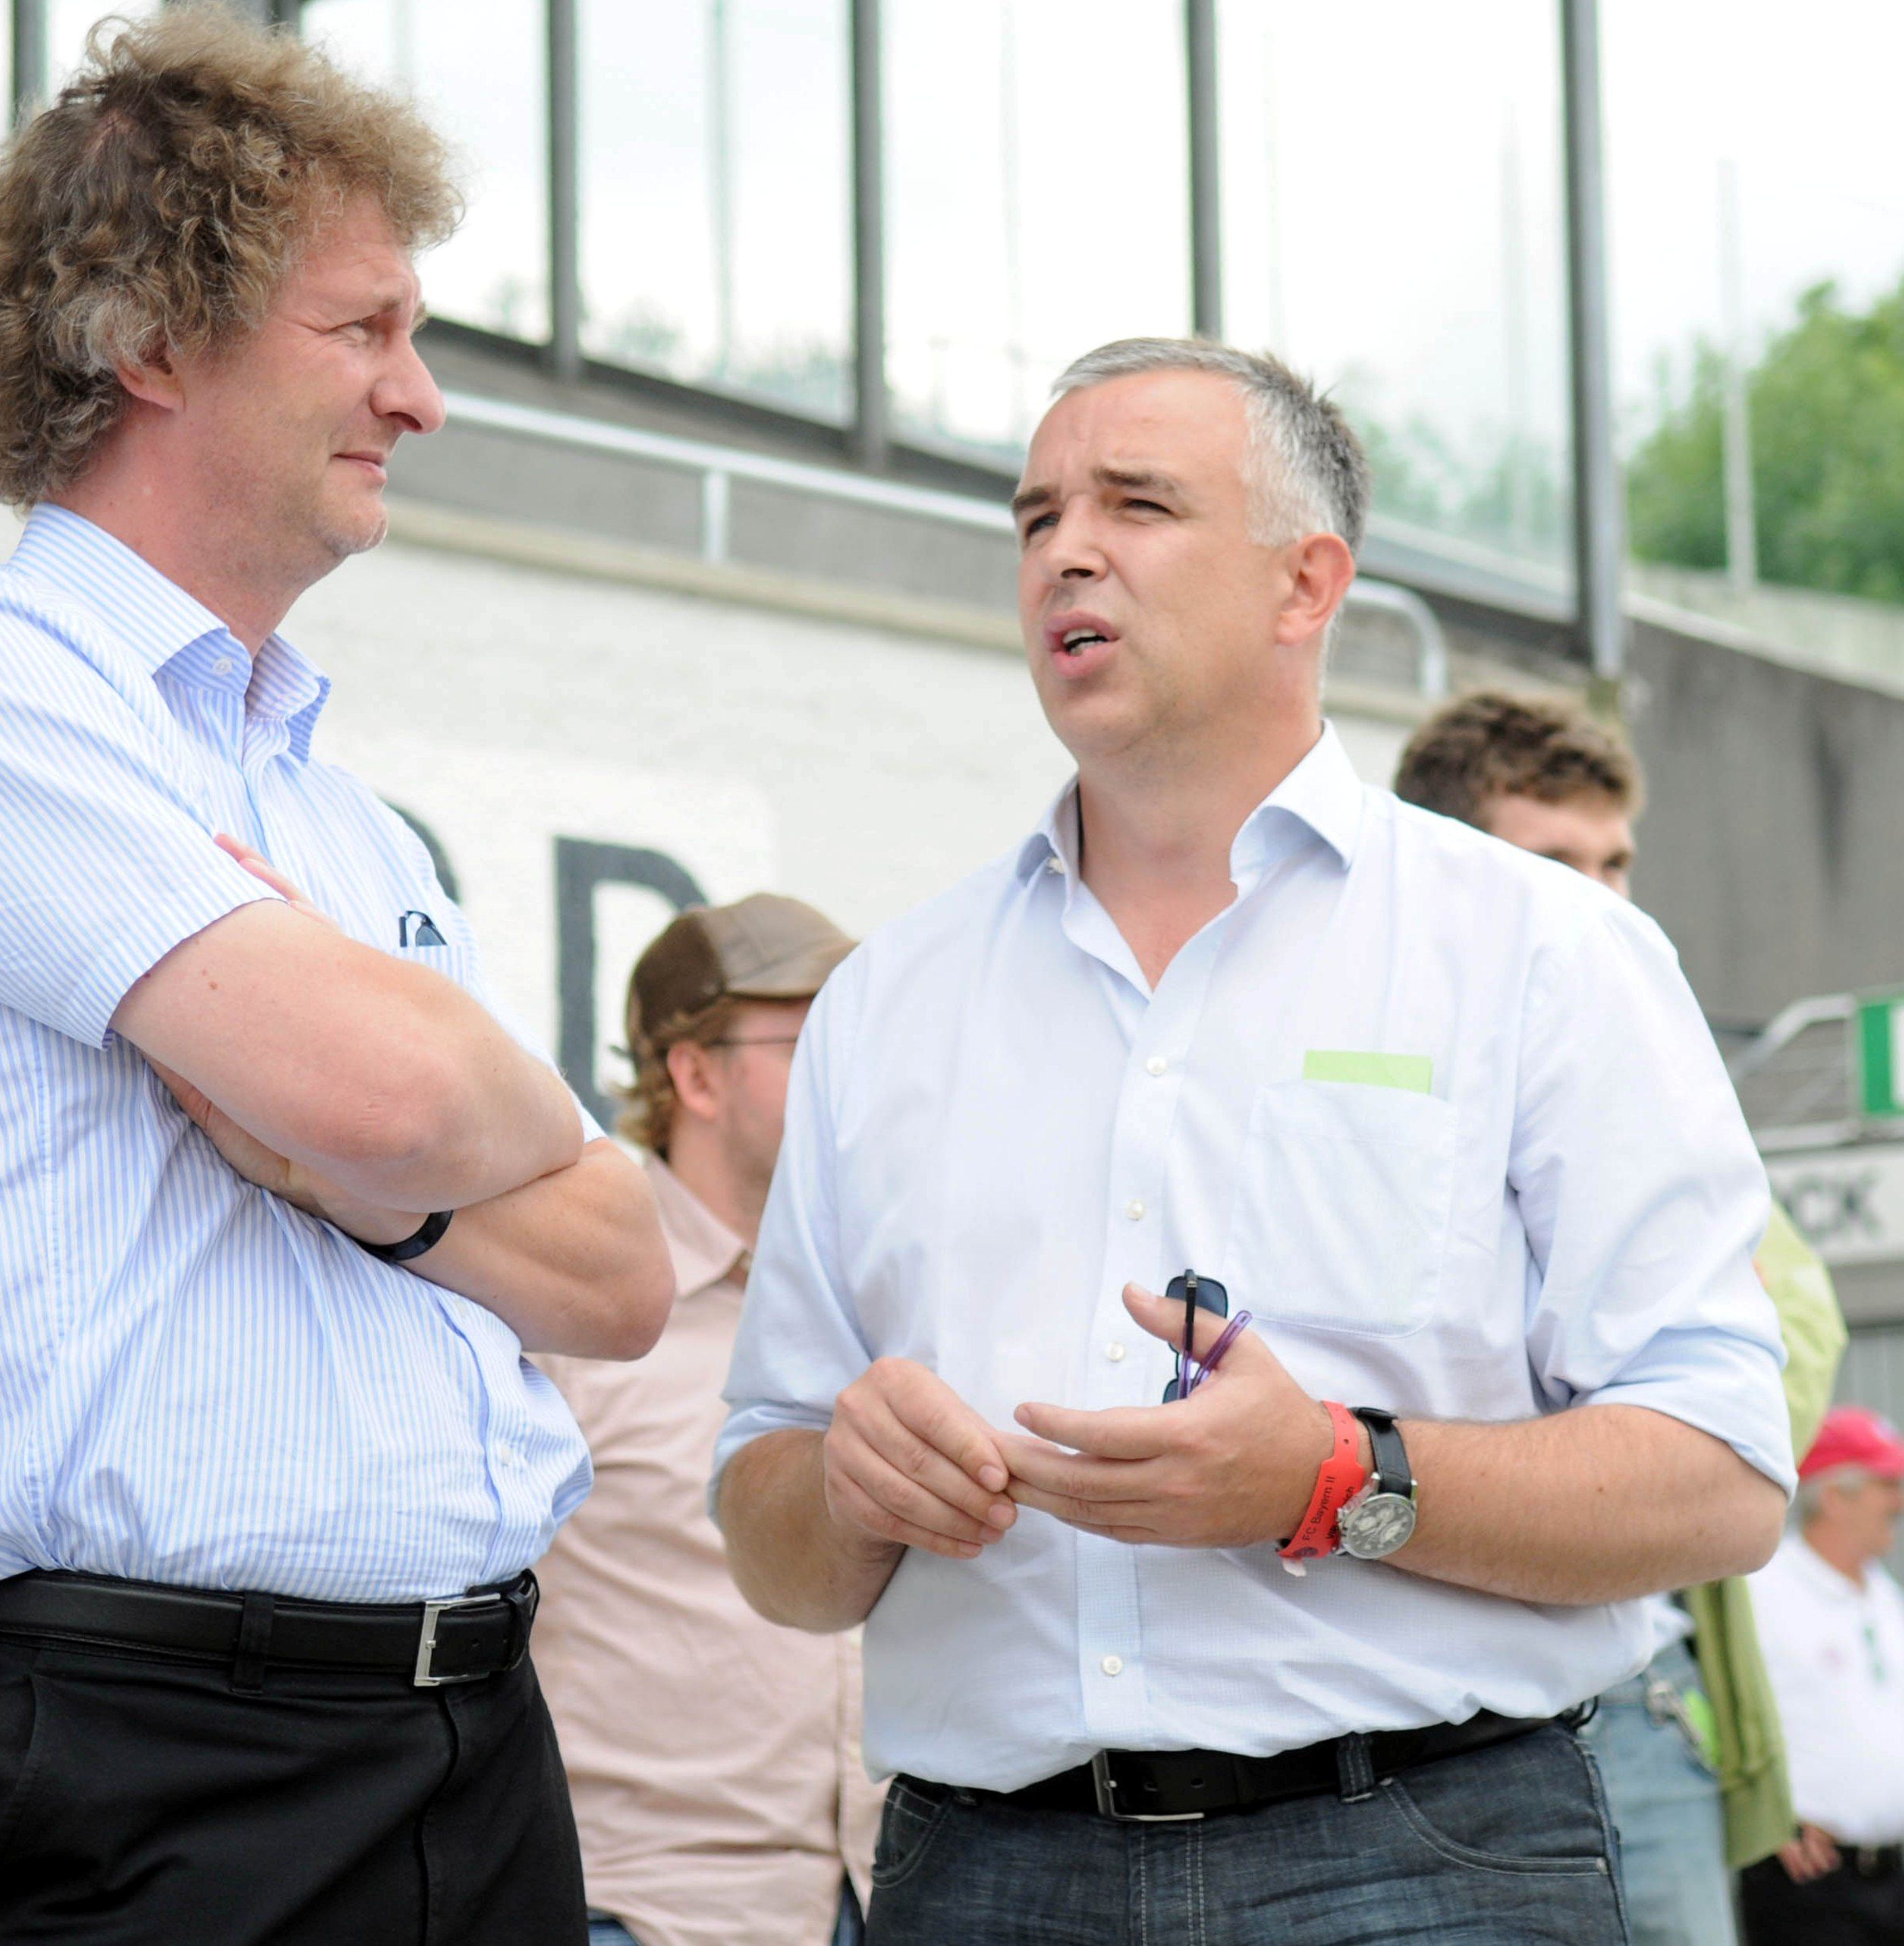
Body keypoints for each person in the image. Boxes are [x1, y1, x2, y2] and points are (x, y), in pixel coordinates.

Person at [0, 13, 671, 1942]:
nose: (418, 397)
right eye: (366, 330)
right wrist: (407, 1111)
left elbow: (620, 1273)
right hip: (149, 1775)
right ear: (148, 341)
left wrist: (371, 1166)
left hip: (476, 1748)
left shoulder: (340, 823)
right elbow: (405, 1097)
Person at [711, 337, 1796, 1946]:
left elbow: (1720, 1478)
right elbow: (773, 1540)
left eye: (1136, 502)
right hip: (980, 1872)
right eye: (1034, 517)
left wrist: (1337, 1474)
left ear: (1309, 583)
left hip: (1426, 1857)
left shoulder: (1541, 952)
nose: (1065, 549)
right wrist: (850, 1486)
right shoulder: (885, 1002)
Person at [1395, 689, 1850, 1944]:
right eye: (1554, 864)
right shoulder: (1374, 1070)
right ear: (1445, 858)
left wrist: (1627, 1414)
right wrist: (1606, 1400)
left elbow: (1781, 1361)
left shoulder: (1654, 1071)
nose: (1602, 901)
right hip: (1411, 1715)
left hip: (1643, 1701)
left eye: (1614, 864)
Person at [530, 895, 879, 1946]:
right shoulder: (563, 1309)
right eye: (814, 1036)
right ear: (694, 1075)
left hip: (890, 1896)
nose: (854, 1069)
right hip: (650, 1912)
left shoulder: (883, 1301)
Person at [1742, 1408, 1904, 1944]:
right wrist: (1766, 1816)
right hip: (1810, 1881)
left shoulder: (1884, 1594)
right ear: (1836, 1496)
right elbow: (1720, 1714)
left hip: (1892, 1879)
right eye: (1887, 1484)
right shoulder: (1764, 1592)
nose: (1899, 1501)